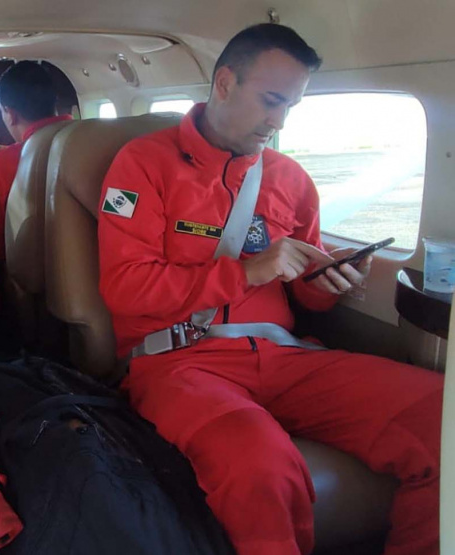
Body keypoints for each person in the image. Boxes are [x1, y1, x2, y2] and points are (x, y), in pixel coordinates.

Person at [97, 24, 442, 555]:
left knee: (445, 416)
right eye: (271, 100)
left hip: (286, 359)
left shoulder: (291, 179)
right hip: (179, 362)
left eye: (291, 107)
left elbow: (304, 294)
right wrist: (247, 271)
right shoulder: (141, 165)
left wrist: (327, 283)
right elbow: (123, 288)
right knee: (259, 465)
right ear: (225, 83)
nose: (278, 121)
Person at [0, 61, 72, 261]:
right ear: (53, 101)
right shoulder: (92, 140)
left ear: (10, 114)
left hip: (32, 277)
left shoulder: (2, 162)